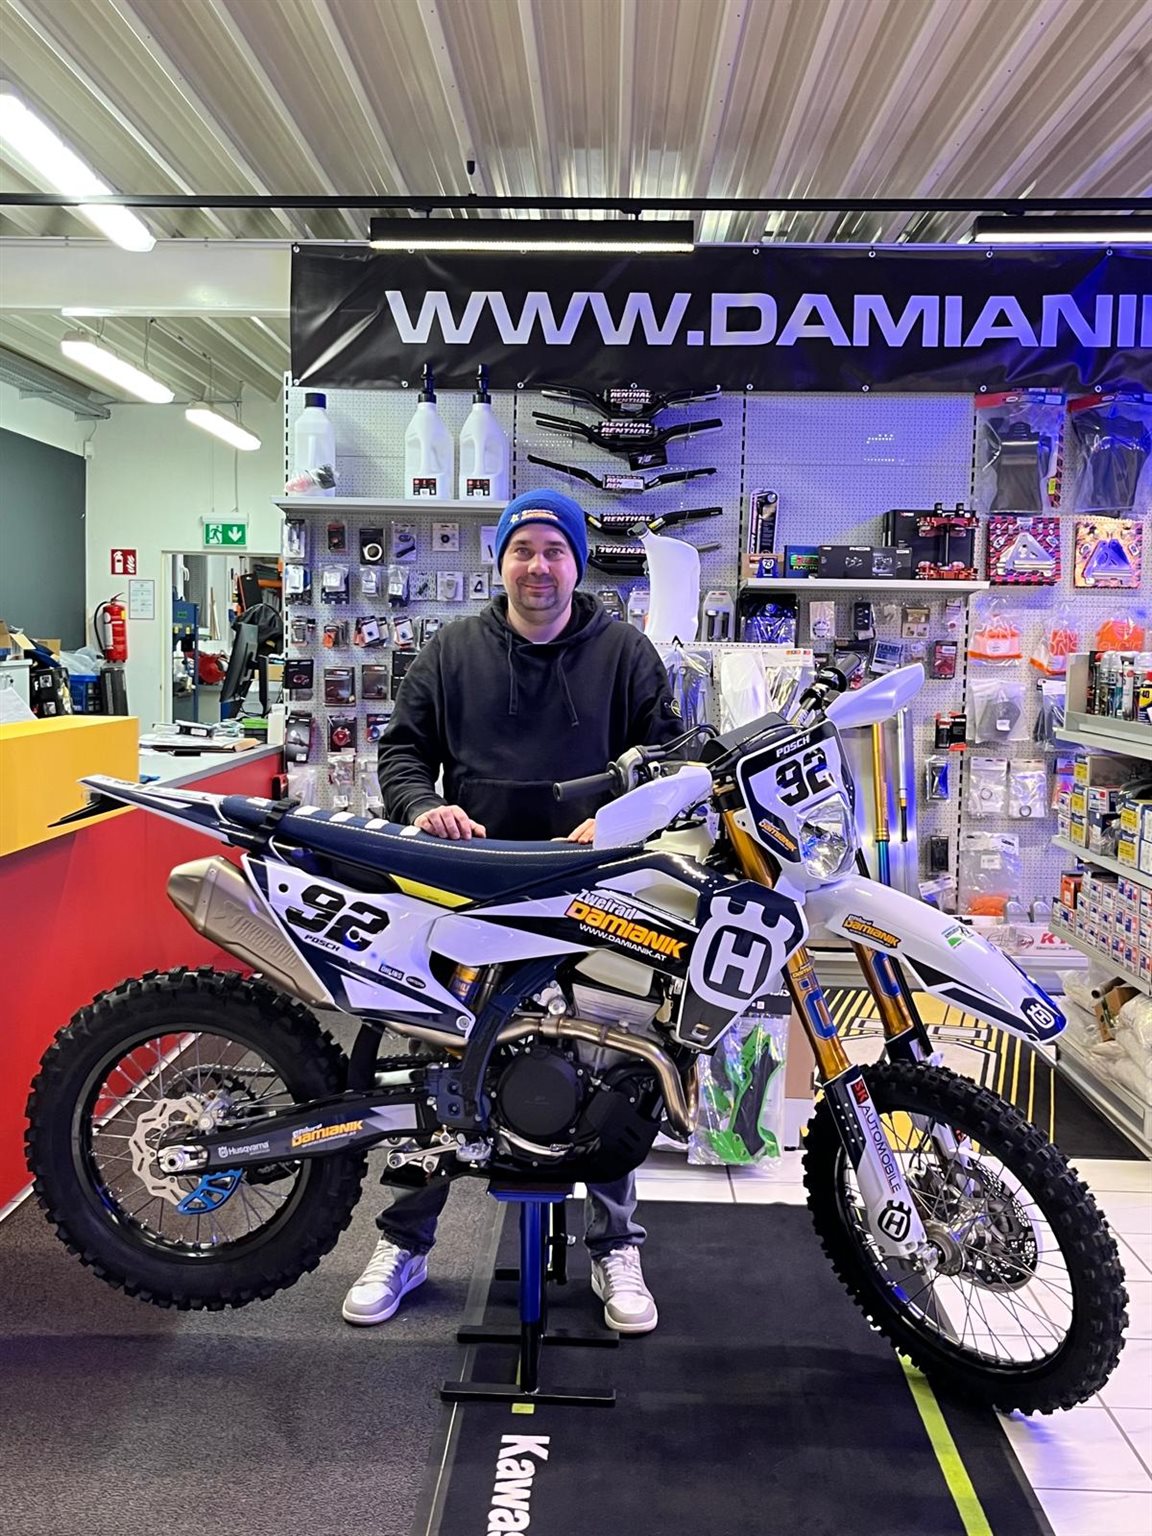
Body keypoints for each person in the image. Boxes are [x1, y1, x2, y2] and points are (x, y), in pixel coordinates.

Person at [343, 488, 685, 1334]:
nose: (539, 567)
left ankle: (616, 1243)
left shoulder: (624, 652)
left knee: (611, 1064)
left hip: (594, 889)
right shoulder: (453, 650)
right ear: (500, 562)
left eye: (554, 550)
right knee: (440, 1061)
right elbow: (403, 750)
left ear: (577, 563)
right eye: (523, 550)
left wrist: (620, 818)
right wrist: (423, 807)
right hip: (472, 889)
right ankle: (404, 1239)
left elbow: (673, 757)